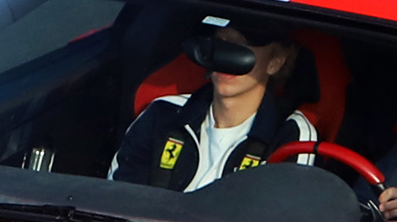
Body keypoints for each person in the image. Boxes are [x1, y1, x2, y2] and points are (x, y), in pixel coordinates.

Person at [110, 18, 317, 190]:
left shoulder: (290, 136)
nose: (225, 57)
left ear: (274, 62)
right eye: (222, 41)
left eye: (241, 46)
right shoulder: (162, 114)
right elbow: (118, 200)